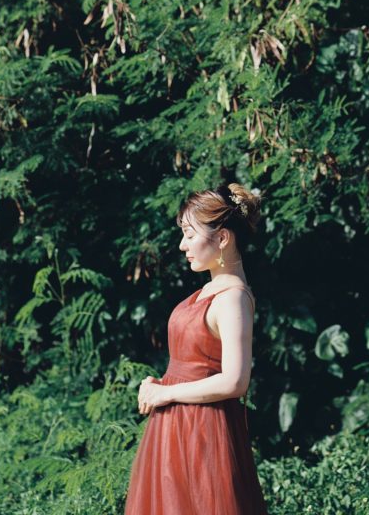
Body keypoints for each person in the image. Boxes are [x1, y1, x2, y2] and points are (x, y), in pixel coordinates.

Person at [124, 183, 269, 514]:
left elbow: (235, 381)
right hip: (175, 428)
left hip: (203, 433)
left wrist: (166, 393)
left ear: (222, 238)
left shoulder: (232, 298)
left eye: (190, 234)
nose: (182, 245)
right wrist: (159, 385)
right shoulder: (209, 291)